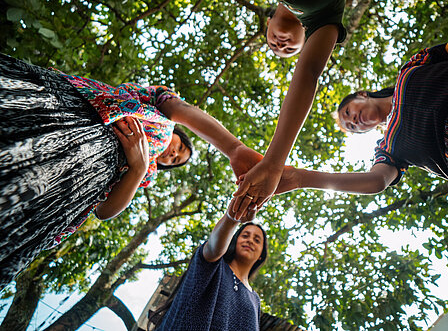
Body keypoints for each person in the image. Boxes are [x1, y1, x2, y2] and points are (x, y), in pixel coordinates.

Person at [0, 54, 260, 289]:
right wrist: (234, 148)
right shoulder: (161, 116)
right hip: (69, 114)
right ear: (177, 134)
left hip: (72, 184)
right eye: (179, 148)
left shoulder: (147, 172)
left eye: (175, 161)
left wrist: (137, 169)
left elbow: (104, 211)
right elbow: (181, 110)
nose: (173, 155)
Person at [274, 33, 448, 237]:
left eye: (349, 112)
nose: (354, 121)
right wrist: (301, 178)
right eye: (352, 127)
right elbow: (377, 181)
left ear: (361, 94)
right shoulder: (388, 147)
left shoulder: (412, 67)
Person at [231, 0, 348, 217]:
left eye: (274, 46)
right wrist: (274, 163)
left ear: (268, 25)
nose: (280, 46)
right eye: (289, 49)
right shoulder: (325, 19)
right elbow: (308, 73)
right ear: (308, 37)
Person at [149, 200, 267, 331]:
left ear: (261, 254)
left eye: (257, 240)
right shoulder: (214, 265)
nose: (250, 240)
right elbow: (213, 247)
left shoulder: (255, 300)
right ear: (234, 241)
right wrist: (233, 217)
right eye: (245, 236)